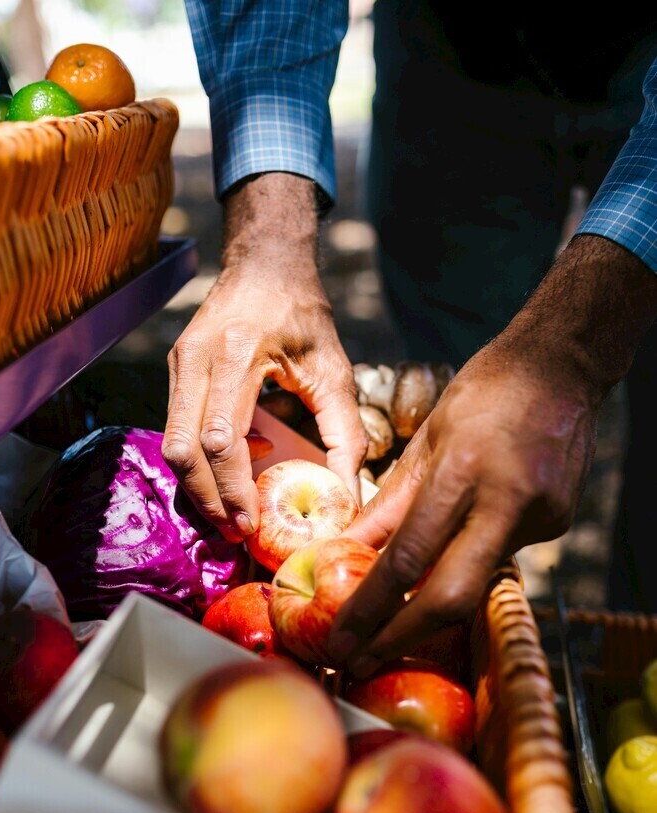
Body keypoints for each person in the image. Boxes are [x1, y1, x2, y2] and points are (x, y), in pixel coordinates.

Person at [163, 2, 657, 671]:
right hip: (450, 51)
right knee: (454, 432)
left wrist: (572, 349)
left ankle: (635, 663)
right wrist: (266, 243)